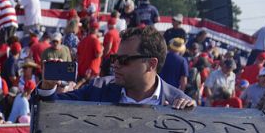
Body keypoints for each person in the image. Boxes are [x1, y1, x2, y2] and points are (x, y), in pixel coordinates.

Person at [37, 26, 195, 109]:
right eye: (114, 58)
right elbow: (48, 109)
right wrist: (47, 87)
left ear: (151, 64)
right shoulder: (98, 88)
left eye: (124, 60)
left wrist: (192, 113)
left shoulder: (179, 103)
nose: (115, 64)